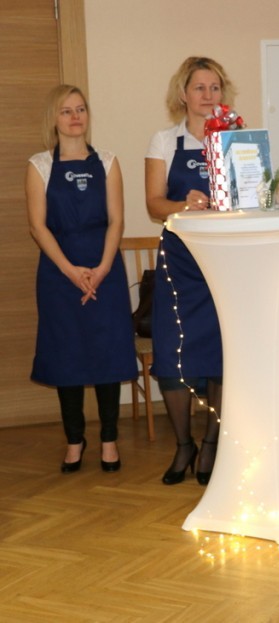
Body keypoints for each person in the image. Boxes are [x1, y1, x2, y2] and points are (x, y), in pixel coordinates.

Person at [26, 84, 137, 474]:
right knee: (66, 356)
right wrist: (71, 271)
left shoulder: (108, 162)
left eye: (81, 109)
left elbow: (117, 220)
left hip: (105, 268)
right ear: (53, 119)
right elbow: (38, 227)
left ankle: (109, 439)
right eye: (66, 111)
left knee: (108, 353)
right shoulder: (39, 165)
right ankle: (74, 440)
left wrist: (102, 268)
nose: (75, 117)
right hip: (59, 274)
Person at [145, 57, 235, 485]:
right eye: (200, 87)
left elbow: (251, 194)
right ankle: (184, 444)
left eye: (215, 88)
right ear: (183, 94)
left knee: (221, 354)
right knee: (171, 355)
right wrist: (184, 204)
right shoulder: (165, 140)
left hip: (224, 261)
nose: (208, 95)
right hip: (179, 263)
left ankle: (212, 444)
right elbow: (153, 204)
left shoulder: (234, 137)